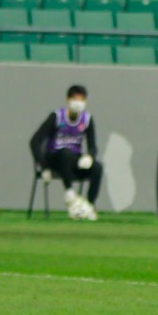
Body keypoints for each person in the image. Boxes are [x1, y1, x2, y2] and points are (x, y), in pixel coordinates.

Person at [29, 84, 102, 221]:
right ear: (68, 100)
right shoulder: (56, 117)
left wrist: (90, 157)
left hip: (73, 160)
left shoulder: (87, 120)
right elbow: (34, 141)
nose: (78, 103)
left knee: (98, 168)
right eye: (75, 99)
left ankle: (87, 206)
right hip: (55, 158)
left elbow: (93, 146)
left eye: (81, 100)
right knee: (65, 153)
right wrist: (43, 166)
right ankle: (69, 193)